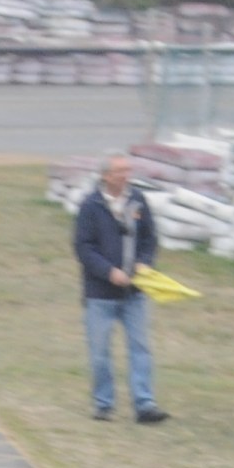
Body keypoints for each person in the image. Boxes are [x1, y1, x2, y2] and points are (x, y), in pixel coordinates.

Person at [71, 154, 168, 424]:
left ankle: (145, 404)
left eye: (128, 170)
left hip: (134, 294)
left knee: (140, 347)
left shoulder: (138, 201)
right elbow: (83, 247)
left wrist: (143, 263)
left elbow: (149, 238)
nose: (125, 176)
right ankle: (104, 403)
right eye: (119, 172)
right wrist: (107, 272)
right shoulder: (91, 206)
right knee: (100, 352)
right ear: (105, 175)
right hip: (100, 295)